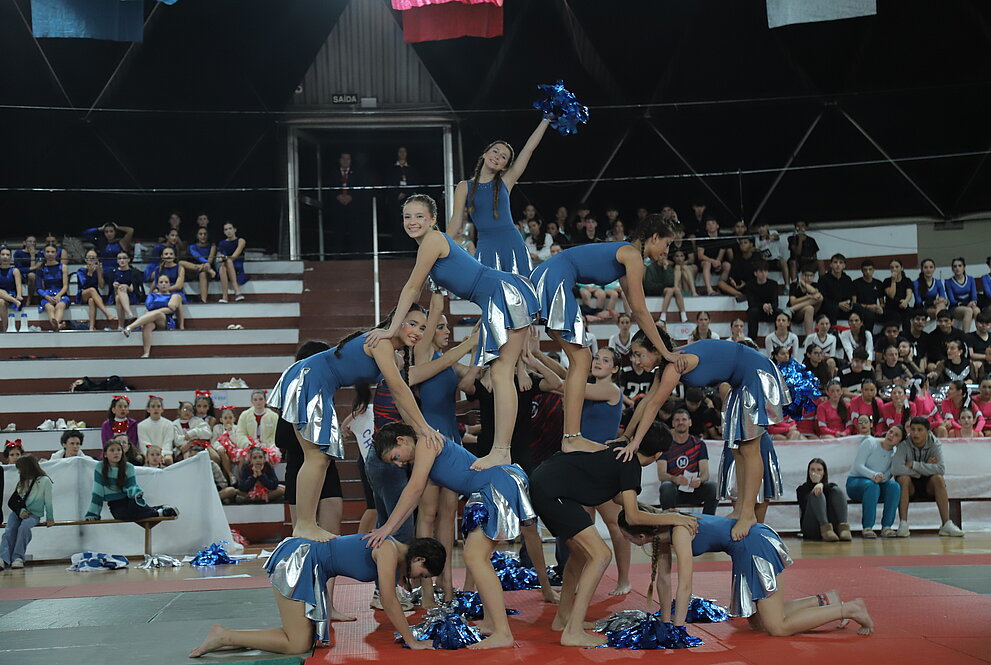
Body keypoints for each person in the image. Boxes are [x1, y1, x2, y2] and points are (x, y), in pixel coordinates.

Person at [365, 194, 537, 475]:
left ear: (432, 219)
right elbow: (435, 299)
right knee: (501, 373)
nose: (412, 222)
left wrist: (391, 329)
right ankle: (502, 450)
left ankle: (501, 450)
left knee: (501, 373)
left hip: (501, 292)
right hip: (497, 295)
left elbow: (412, 288)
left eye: (419, 216)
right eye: (407, 217)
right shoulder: (429, 247)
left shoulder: (433, 241)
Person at [271, 283, 444, 541]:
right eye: (412, 324)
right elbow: (400, 390)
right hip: (310, 378)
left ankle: (306, 524)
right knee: (316, 457)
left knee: (320, 458)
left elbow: (400, 400)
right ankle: (304, 524)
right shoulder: (381, 342)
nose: (418, 332)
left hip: (314, 381)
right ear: (396, 321)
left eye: (422, 328)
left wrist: (419, 432)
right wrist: (425, 428)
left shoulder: (393, 354)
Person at [367, 422, 555, 650]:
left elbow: (414, 489)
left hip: (494, 484)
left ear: (401, 440)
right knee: (478, 558)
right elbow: (414, 497)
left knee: (475, 557)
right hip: (489, 486)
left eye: (395, 457)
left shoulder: (426, 442)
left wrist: (387, 527)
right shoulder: (423, 451)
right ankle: (491, 622)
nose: (398, 464)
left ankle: (503, 633)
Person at [529, 422, 697, 646]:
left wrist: (658, 513)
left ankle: (563, 618)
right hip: (552, 491)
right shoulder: (631, 464)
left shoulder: (623, 452)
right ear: (658, 455)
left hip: (547, 482)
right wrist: (674, 517)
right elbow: (633, 517)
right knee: (601, 555)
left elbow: (620, 498)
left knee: (580, 554)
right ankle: (573, 631)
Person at [531, 216, 683, 454]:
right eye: (667, 244)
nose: (667, 251)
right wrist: (666, 352)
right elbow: (641, 311)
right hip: (555, 278)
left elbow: (634, 308)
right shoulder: (632, 255)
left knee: (579, 360)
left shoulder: (626, 255)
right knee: (582, 359)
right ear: (654, 237)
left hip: (548, 275)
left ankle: (570, 436)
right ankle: (571, 437)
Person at [621, 329, 790, 540]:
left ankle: (748, 514)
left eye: (639, 354)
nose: (636, 361)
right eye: (634, 356)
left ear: (656, 350)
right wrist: (626, 437)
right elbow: (645, 402)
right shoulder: (665, 368)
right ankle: (740, 510)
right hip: (741, 379)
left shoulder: (675, 365)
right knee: (736, 449)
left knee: (749, 448)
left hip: (757, 372)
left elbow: (654, 405)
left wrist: (635, 442)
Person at [619, 507, 873, 637]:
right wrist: (665, 624)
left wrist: (678, 629)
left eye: (626, 538)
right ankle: (824, 600)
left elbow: (685, 584)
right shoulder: (662, 532)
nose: (627, 542)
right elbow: (664, 581)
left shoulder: (679, 531)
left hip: (753, 544)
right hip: (744, 549)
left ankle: (850, 609)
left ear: (640, 536)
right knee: (758, 622)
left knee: (777, 628)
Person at [190, 535, 445, 657]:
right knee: (297, 644)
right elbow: (389, 600)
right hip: (299, 560)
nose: (417, 579)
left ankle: (227, 639)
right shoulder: (388, 550)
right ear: (419, 559)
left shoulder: (394, 553)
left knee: (302, 639)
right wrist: (412, 641)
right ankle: (223, 635)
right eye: (422, 574)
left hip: (310, 566)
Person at [447, 119, 552, 275]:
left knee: (520, 286)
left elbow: (528, 149)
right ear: (485, 153)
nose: (497, 157)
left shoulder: (506, 181)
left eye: (503, 157)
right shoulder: (464, 187)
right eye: (495, 151)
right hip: (486, 247)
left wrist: (546, 120)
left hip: (512, 244)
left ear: (505, 166)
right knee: (489, 288)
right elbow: (456, 221)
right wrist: (440, 247)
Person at [891, 417, 963, 537]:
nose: (915, 433)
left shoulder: (935, 443)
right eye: (913, 429)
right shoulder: (904, 444)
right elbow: (896, 469)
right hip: (910, 486)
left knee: (938, 479)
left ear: (928, 432)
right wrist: (925, 468)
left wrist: (914, 465)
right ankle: (903, 524)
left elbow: (940, 469)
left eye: (919, 430)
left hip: (929, 484)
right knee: (902, 479)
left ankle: (946, 524)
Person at [85, 439, 178, 521]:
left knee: (136, 508)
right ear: (105, 454)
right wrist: (93, 514)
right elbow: (97, 492)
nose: (116, 453)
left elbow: (131, 486)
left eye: (119, 450)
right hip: (115, 504)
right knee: (122, 515)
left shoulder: (128, 467)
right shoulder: (100, 467)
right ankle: (160, 512)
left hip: (129, 499)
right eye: (112, 450)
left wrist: (136, 493)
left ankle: (159, 511)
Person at [658, 409, 718, 514]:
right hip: (675, 490)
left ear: (690, 422)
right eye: (677, 420)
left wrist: (699, 480)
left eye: (684, 419)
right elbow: (661, 475)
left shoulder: (699, 444)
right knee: (666, 486)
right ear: (673, 423)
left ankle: (707, 520)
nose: (680, 422)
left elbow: (705, 474)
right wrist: (675, 479)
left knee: (714, 487)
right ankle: (669, 520)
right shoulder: (665, 445)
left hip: (694, 489)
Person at [0, 455, 53, 570]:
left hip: (34, 514)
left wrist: (50, 518)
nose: (19, 472)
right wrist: (21, 511)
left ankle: (18, 557)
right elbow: (15, 500)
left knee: (24, 528)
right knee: (9, 530)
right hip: (18, 513)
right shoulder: (22, 482)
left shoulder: (45, 481)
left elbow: (48, 501)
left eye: (20, 469)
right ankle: (3, 557)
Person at [121, 274, 182, 358]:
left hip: (165, 320)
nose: (164, 284)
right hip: (151, 319)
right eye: (161, 282)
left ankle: (130, 327)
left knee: (158, 314)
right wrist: (159, 311)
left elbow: (170, 309)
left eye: (166, 282)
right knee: (148, 325)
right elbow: (148, 307)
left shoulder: (174, 296)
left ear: (169, 284)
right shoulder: (152, 295)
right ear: (157, 285)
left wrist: (154, 312)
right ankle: (146, 353)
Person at [797, 458, 851, 541]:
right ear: (808, 472)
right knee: (816, 493)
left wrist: (821, 485)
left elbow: (833, 490)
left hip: (832, 526)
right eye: (812, 470)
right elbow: (804, 506)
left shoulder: (830, 487)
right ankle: (826, 529)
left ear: (824, 472)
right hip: (812, 527)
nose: (815, 472)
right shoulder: (802, 489)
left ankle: (843, 528)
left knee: (837, 490)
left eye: (819, 470)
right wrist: (816, 484)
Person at [219, 446, 285, 504]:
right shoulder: (246, 468)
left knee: (281, 490)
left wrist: (261, 475)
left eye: (260, 457)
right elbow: (242, 487)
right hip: (248, 495)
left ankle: (260, 499)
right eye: (255, 458)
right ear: (250, 460)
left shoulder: (268, 467)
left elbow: (273, 485)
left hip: (265, 494)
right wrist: (253, 477)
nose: (258, 460)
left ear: (264, 459)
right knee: (231, 490)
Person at [75, 249, 115, 330]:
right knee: (91, 290)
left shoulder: (98, 269)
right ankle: (106, 313)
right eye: (89, 257)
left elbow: (101, 286)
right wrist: (90, 273)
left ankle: (91, 327)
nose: (91, 259)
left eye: (93, 258)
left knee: (91, 301)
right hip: (83, 293)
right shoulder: (81, 270)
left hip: (94, 295)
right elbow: (83, 284)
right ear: (85, 259)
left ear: (97, 260)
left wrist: (99, 273)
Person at [149, 246, 187, 329]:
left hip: (176, 291)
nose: (169, 256)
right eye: (166, 254)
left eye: (171, 254)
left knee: (177, 298)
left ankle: (181, 326)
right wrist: (152, 292)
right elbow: (156, 283)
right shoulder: (158, 269)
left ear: (174, 256)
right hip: (162, 291)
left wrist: (165, 289)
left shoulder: (180, 268)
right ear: (162, 256)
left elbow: (179, 286)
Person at [35, 244, 69, 332]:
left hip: (60, 293)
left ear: (56, 253)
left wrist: (58, 296)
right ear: (44, 253)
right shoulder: (41, 269)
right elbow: (38, 288)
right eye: (48, 252)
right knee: (50, 308)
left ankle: (55, 324)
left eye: (52, 252)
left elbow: (65, 286)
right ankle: (57, 325)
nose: (50, 254)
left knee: (60, 306)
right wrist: (47, 296)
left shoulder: (63, 267)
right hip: (47, 295)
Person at [179, 226, 217, 304]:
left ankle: (203, 301)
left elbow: (210, 260)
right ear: (197, 236)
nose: (203, 236)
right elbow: (197, 256)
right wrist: (203, 266)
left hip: (207, 270)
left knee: (202, 273)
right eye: (200, 234)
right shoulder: (192, 247)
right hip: (195, 270)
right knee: (181, 262)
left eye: (205, 234)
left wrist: (206, 266)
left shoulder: (212, 246)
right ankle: (203, 268)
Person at [817, 254, 856, 326]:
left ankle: (863, 331)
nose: (838, 265)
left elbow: (850, 295)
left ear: (844, 265)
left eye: (840, 262)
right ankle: (833, 331)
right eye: (835, 262)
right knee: (833, 308)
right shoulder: (824, 279)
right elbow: (823, 299)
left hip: (844, 308)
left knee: (859, 308)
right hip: (829, 308)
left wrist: (849, 303)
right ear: (831, 265)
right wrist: (838, 304)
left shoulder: (847, 279)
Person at [943, 256, 980, 333]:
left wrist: (973, 302)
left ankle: (980, 334)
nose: (957, 268)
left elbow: (974, 295)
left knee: (977, 310)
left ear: (964, 268)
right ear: (952, 269)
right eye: (955, 266)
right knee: (968, 311)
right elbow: (952, 300)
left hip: (970, 304)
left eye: (960, 266)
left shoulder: (971, 279)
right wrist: (965, 304)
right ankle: (965, 336)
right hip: (955, 307)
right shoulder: (948, 282)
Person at [105, 250, 142, 326]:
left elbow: (132, 289)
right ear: (117, 260)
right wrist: (114, 286)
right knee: (119, 293)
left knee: (119, 297)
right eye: (119, 258)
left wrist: (126, 287)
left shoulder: (134, 272)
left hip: (130, 296)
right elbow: (111, 290)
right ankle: (129, 314)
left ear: (129, 260)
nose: (122, 260)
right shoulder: (113, 272)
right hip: (115, 295)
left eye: (124, 258)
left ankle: (120, 325)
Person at [695, 218, 730, 296]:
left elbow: (721, 254)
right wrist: (712, 261)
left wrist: (717, 262)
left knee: (727, 265)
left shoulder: (721, 237)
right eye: (709, 224)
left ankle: (721, 287)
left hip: (717, 261)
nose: (711, 226)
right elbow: (700, 255)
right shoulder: (702, 238)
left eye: (713, 223)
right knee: (707, 264)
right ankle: (709, 289)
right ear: (706, 227)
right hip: (705, 262)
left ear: (717, 226)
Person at [745, 259, 778, 340]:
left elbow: (776, 302)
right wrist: (763, 305)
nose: (763, 274)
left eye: (765, 271)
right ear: (755, 273)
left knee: (781, 313)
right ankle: (752, 340)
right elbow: (751, 303)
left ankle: (781, 337)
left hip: (770, 311)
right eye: (761, 271)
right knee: (752, 312)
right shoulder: (750, 285)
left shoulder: (773, 284)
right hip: (757, 311)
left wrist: (769, 306)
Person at [787, 263, 823, 335]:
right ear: (801, 275)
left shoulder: (815, 285)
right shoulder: (794, 285)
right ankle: (809, 336)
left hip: (812, 311)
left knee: (819, 299)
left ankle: (808, 338)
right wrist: (808, 297)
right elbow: (793, 302)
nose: (808, 278)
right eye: (806, 275)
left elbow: (815, 293)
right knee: (809, 308)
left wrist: (804, 284)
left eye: (811, 276)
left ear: (814, 276)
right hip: (796, 313)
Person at [217, 222, 247, 302]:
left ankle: (233, 292)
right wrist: (220, 258)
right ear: (224, 232)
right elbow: (222, 256)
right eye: (226, 229)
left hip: (237, 266)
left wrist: (225, 258)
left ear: (235, 230)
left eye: (230, 228)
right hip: (226, 266)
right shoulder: (222, 243)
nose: (228, 231)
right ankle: (228, 295)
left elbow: (234, 256)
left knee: (228, 262)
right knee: (222, 267)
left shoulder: (241, 241)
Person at [851, 259, 885, 331]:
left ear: (874, 270)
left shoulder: (878, 283)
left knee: (892, 315)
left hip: (875, 309)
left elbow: (882, 302)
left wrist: (880, 308)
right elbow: (854, 303)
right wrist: (869, 307)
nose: (868, 272)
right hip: (861, 309)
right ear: (862, 270)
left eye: (870, 269)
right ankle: (868, 335)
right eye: (865, 270)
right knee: (869, 315)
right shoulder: (856, 283)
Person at [882, 258, 914, 331]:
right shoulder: (887, 281)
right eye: (892, 267)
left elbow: (909, 294)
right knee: (895, 316)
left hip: (903, 305)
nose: (894, 269)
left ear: (901, 268)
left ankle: (907, 335)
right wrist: (893, 281)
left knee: (906, 315)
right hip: (891, 307)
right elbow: (891, 295)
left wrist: (905, 301)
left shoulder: (907, 280)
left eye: (897, 267)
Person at [0, 246, 24, 328]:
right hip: (1, 295)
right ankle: (5, 328)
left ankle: (15, 301)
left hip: (11, 294)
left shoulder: (14, 270)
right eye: (3, 254)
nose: (5, 257)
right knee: (1, 301)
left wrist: (19, 295)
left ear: (10, 257)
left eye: (7, 255)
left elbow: (18, 285)